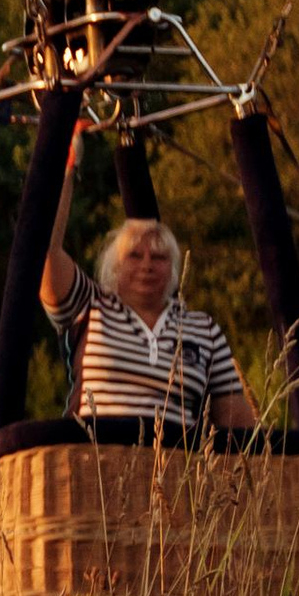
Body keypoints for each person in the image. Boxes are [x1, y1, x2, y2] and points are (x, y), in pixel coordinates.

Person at [40, 135, 256, 437]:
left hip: (172, 461)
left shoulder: (203, 329)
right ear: (115, 267)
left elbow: (240, 427)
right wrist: (67, 169)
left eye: (159, 257)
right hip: (96, 459)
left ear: (174, 268)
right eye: (134, 256)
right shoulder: (90, 306)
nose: (147, 265)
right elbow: (45, 253)